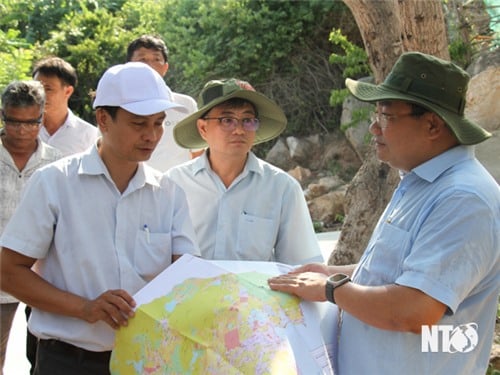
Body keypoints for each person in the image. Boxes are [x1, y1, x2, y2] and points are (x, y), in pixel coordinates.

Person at [268, 52, 500, 374]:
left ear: (432, 124)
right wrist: (334, 272)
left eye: (386, 117)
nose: (374, 128)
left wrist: (331, 289)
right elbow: (396, 275)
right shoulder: (420, 181)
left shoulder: (463, 198)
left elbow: (414, 310)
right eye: (375, 114)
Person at [0, 62, 201, 375]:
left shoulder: (169, 194)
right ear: (103, 119)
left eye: (159, 123)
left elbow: (186, 277)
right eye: (139, 124)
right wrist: (85, 308)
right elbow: (9, 272)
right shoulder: (54, 184)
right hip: (67, 362)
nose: (152, 135)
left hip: (148, 360)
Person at [166, 78, 323, 265]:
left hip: (256, 294)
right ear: (203, 128)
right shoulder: (174, 184)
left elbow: (301, 264)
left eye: (247, 120)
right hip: (188, 293)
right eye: (227, 120)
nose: (239, 130)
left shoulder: (281, 188)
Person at [0, 81, 62, 375]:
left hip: (44, 278)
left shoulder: (58, 164)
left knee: (42, 358)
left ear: (41, 118)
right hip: (2, 279)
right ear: (3, 116)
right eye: (14, 122)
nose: (23, 131)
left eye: (31, 123)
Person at [127, 34, 202, 171]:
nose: (150, 65)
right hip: (135, 188)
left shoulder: (185, 105)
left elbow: (197, 151)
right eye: (142, 59)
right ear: (129, 66)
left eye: (156, 59)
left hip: (178, 188)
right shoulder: (119, 105)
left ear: (165, 67)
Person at [32, 56, 99, 156]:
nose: (40, 94)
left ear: (68, 91)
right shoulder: (23, 131)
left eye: (48, 89)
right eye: (36, 88)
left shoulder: (89, 136)